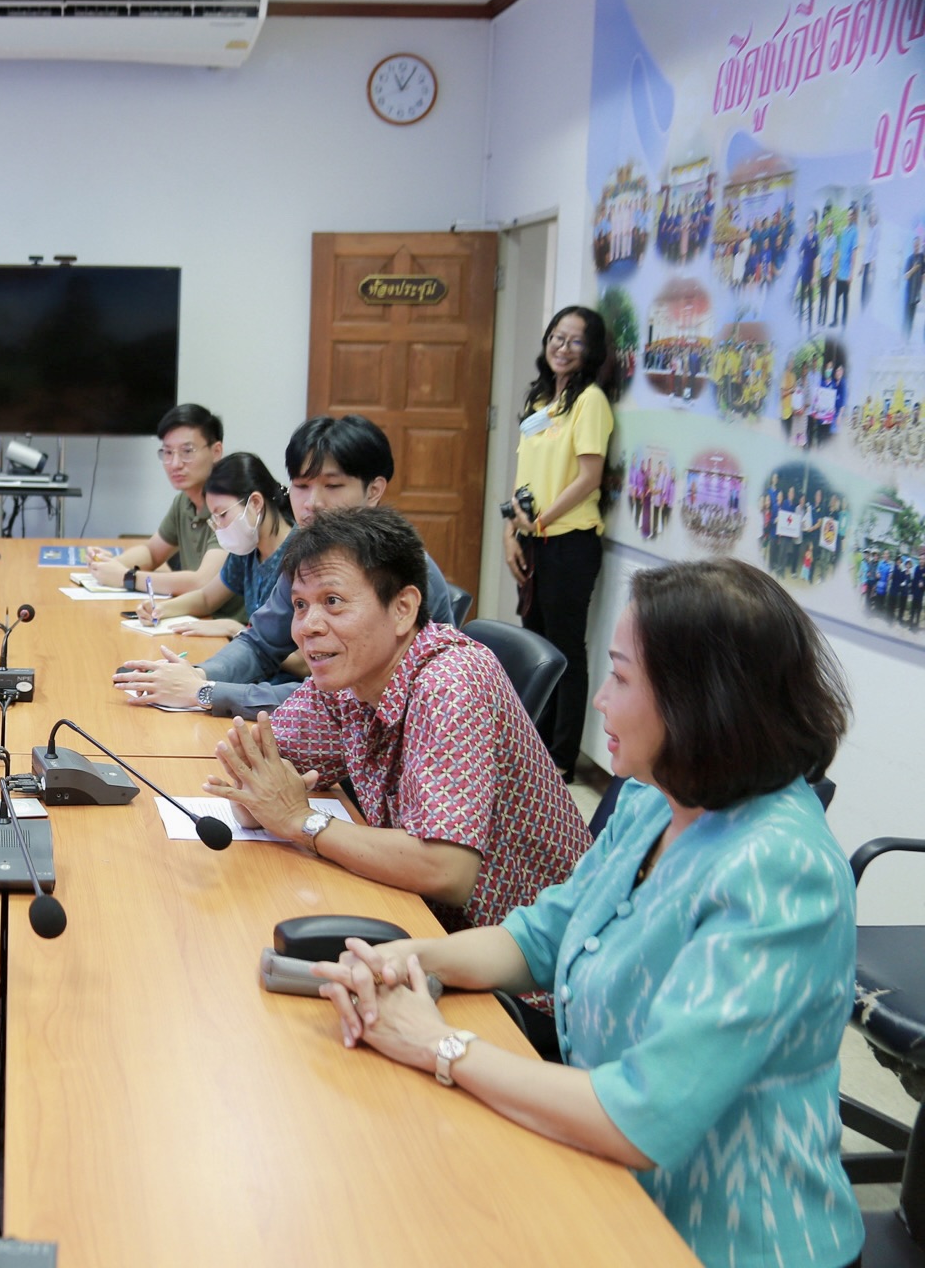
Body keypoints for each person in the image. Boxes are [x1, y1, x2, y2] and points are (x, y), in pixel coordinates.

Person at [310, 558, 860, 1268]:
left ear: (704, 701)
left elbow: (642, 1116)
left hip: (723, 1243)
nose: (600, 700)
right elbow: (541, 935)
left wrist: (440, 1046)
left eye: (624, 677)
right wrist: (409, 958)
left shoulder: (781, 870)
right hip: (601, 1181)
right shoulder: (652, 796)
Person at [202, 507, 591, 952]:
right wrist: (270, 802)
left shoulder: (451, 682)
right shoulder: (345, 678)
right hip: (416, 922)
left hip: (531, 969)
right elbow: (257, 785)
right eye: (300, 605)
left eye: (332, 601)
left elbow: (446, 870)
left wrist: (299, 819)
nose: (308, 626)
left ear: (403, 609)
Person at [115, 415, 458, 718]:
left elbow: (334, 702)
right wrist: (197, 676)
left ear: (374, 491)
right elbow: (261, 643)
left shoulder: (400, 566)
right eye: (301, 486)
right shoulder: (307, 555)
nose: (313, 503)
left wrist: (204, 691)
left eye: (333, 486)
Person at [505, 305, 617, 781]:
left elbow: (589, 478)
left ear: (589, 351)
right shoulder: (541, 402)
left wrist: (541, 522)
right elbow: (524, 478)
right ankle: (533, 746)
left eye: (574, 340)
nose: (562, 346)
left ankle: (561, 757)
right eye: (556, 335)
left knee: (565, 649)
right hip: (533, 541)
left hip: (570, 542)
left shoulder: (590, 401)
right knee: (536, 647)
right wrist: (512, 531)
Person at [87, 403, 238, 618]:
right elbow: (152, 552)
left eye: (187, 451)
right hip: (195, 618)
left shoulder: (229, 507)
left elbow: (202, 583)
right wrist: (111, 565)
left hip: (228, 627)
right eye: (167, 452)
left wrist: (127, 577)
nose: (175, 463)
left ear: (216, 451)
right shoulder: (183, 502)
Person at [131, 451, 290, 638]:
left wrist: (235, 630)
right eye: (214, 518)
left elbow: (302, 661)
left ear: (255, 503)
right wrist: (161, 609)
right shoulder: (249, 550)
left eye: (222, 515)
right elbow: (206, 598)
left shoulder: (299, 556)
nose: (220, 528)